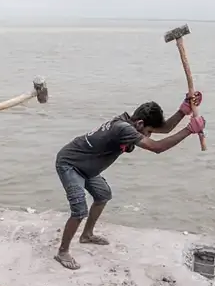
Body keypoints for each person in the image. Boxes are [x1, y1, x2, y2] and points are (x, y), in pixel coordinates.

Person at [54, 93, 206, 270]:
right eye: (148, 132)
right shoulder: (123, 129)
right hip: (70, 164)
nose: (149, 135)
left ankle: (87, 235)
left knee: (103, 195)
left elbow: (163, 129)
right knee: (79, 210)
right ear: (140, 124)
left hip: (87, 167)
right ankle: (62, 252)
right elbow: (157, 147)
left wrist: (183, 110)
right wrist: (189, 130)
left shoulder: (131, 122)